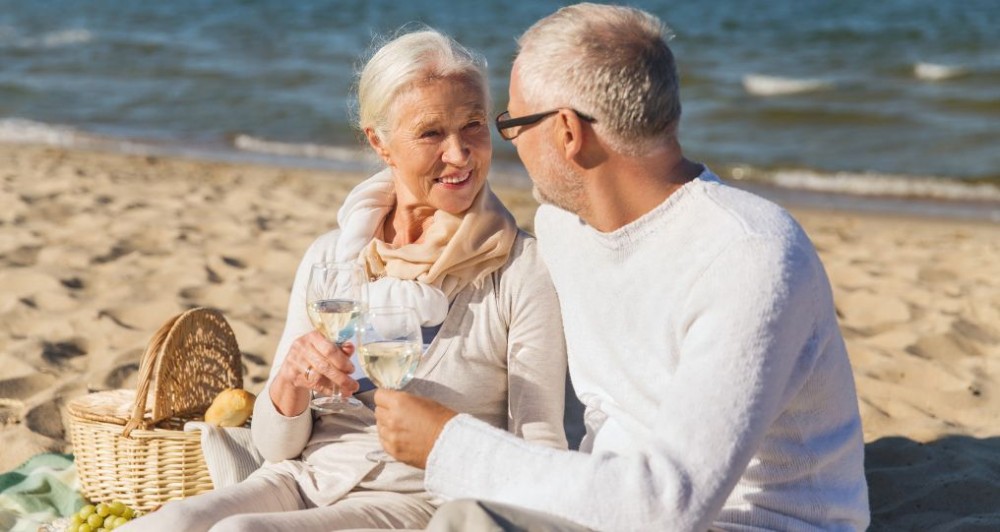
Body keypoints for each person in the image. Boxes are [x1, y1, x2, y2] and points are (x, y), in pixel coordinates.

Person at [373, 4, 870, 531]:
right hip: (608, 506)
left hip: (747, 522)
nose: (509, 143)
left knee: (467, 521)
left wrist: (449, 444)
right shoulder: (564, 231)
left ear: (567, 133)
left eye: (513, 124)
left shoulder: (749, 254)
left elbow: (667, 507)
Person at [121, 28, 568, 531]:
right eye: (430, 133)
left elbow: (540, 448)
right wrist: (289, 381)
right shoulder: (333, 258)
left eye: (473, 126)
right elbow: (274, 447)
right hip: (303, 478)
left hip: (419, 500)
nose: (461, 154)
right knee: (165, 526)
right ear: (380, 143)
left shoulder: (520, 269)